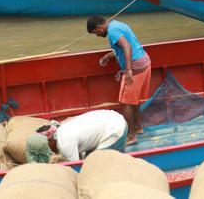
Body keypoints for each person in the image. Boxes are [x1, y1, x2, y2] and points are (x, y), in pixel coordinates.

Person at [88, 16, 151, 145]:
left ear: (99, 28)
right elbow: (122, 47)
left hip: (135, 65)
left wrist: (128, 70)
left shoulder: (112, 32)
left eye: (96, 33)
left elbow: (127, 46)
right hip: (143, 61)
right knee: (133, 98)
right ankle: (138, 127)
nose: (97, 35)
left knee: (125, 101)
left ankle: (131, 136)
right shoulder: (117, 24)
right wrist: (108, 56)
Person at [26, 110, 128, 164]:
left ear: (51, 140)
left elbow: (76, 168)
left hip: (115, 129)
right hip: (113, 118)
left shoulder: (64, 143)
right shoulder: (61, 129)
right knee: (90, 159)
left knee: (96, 165)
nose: (51, 152)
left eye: (48, 147)